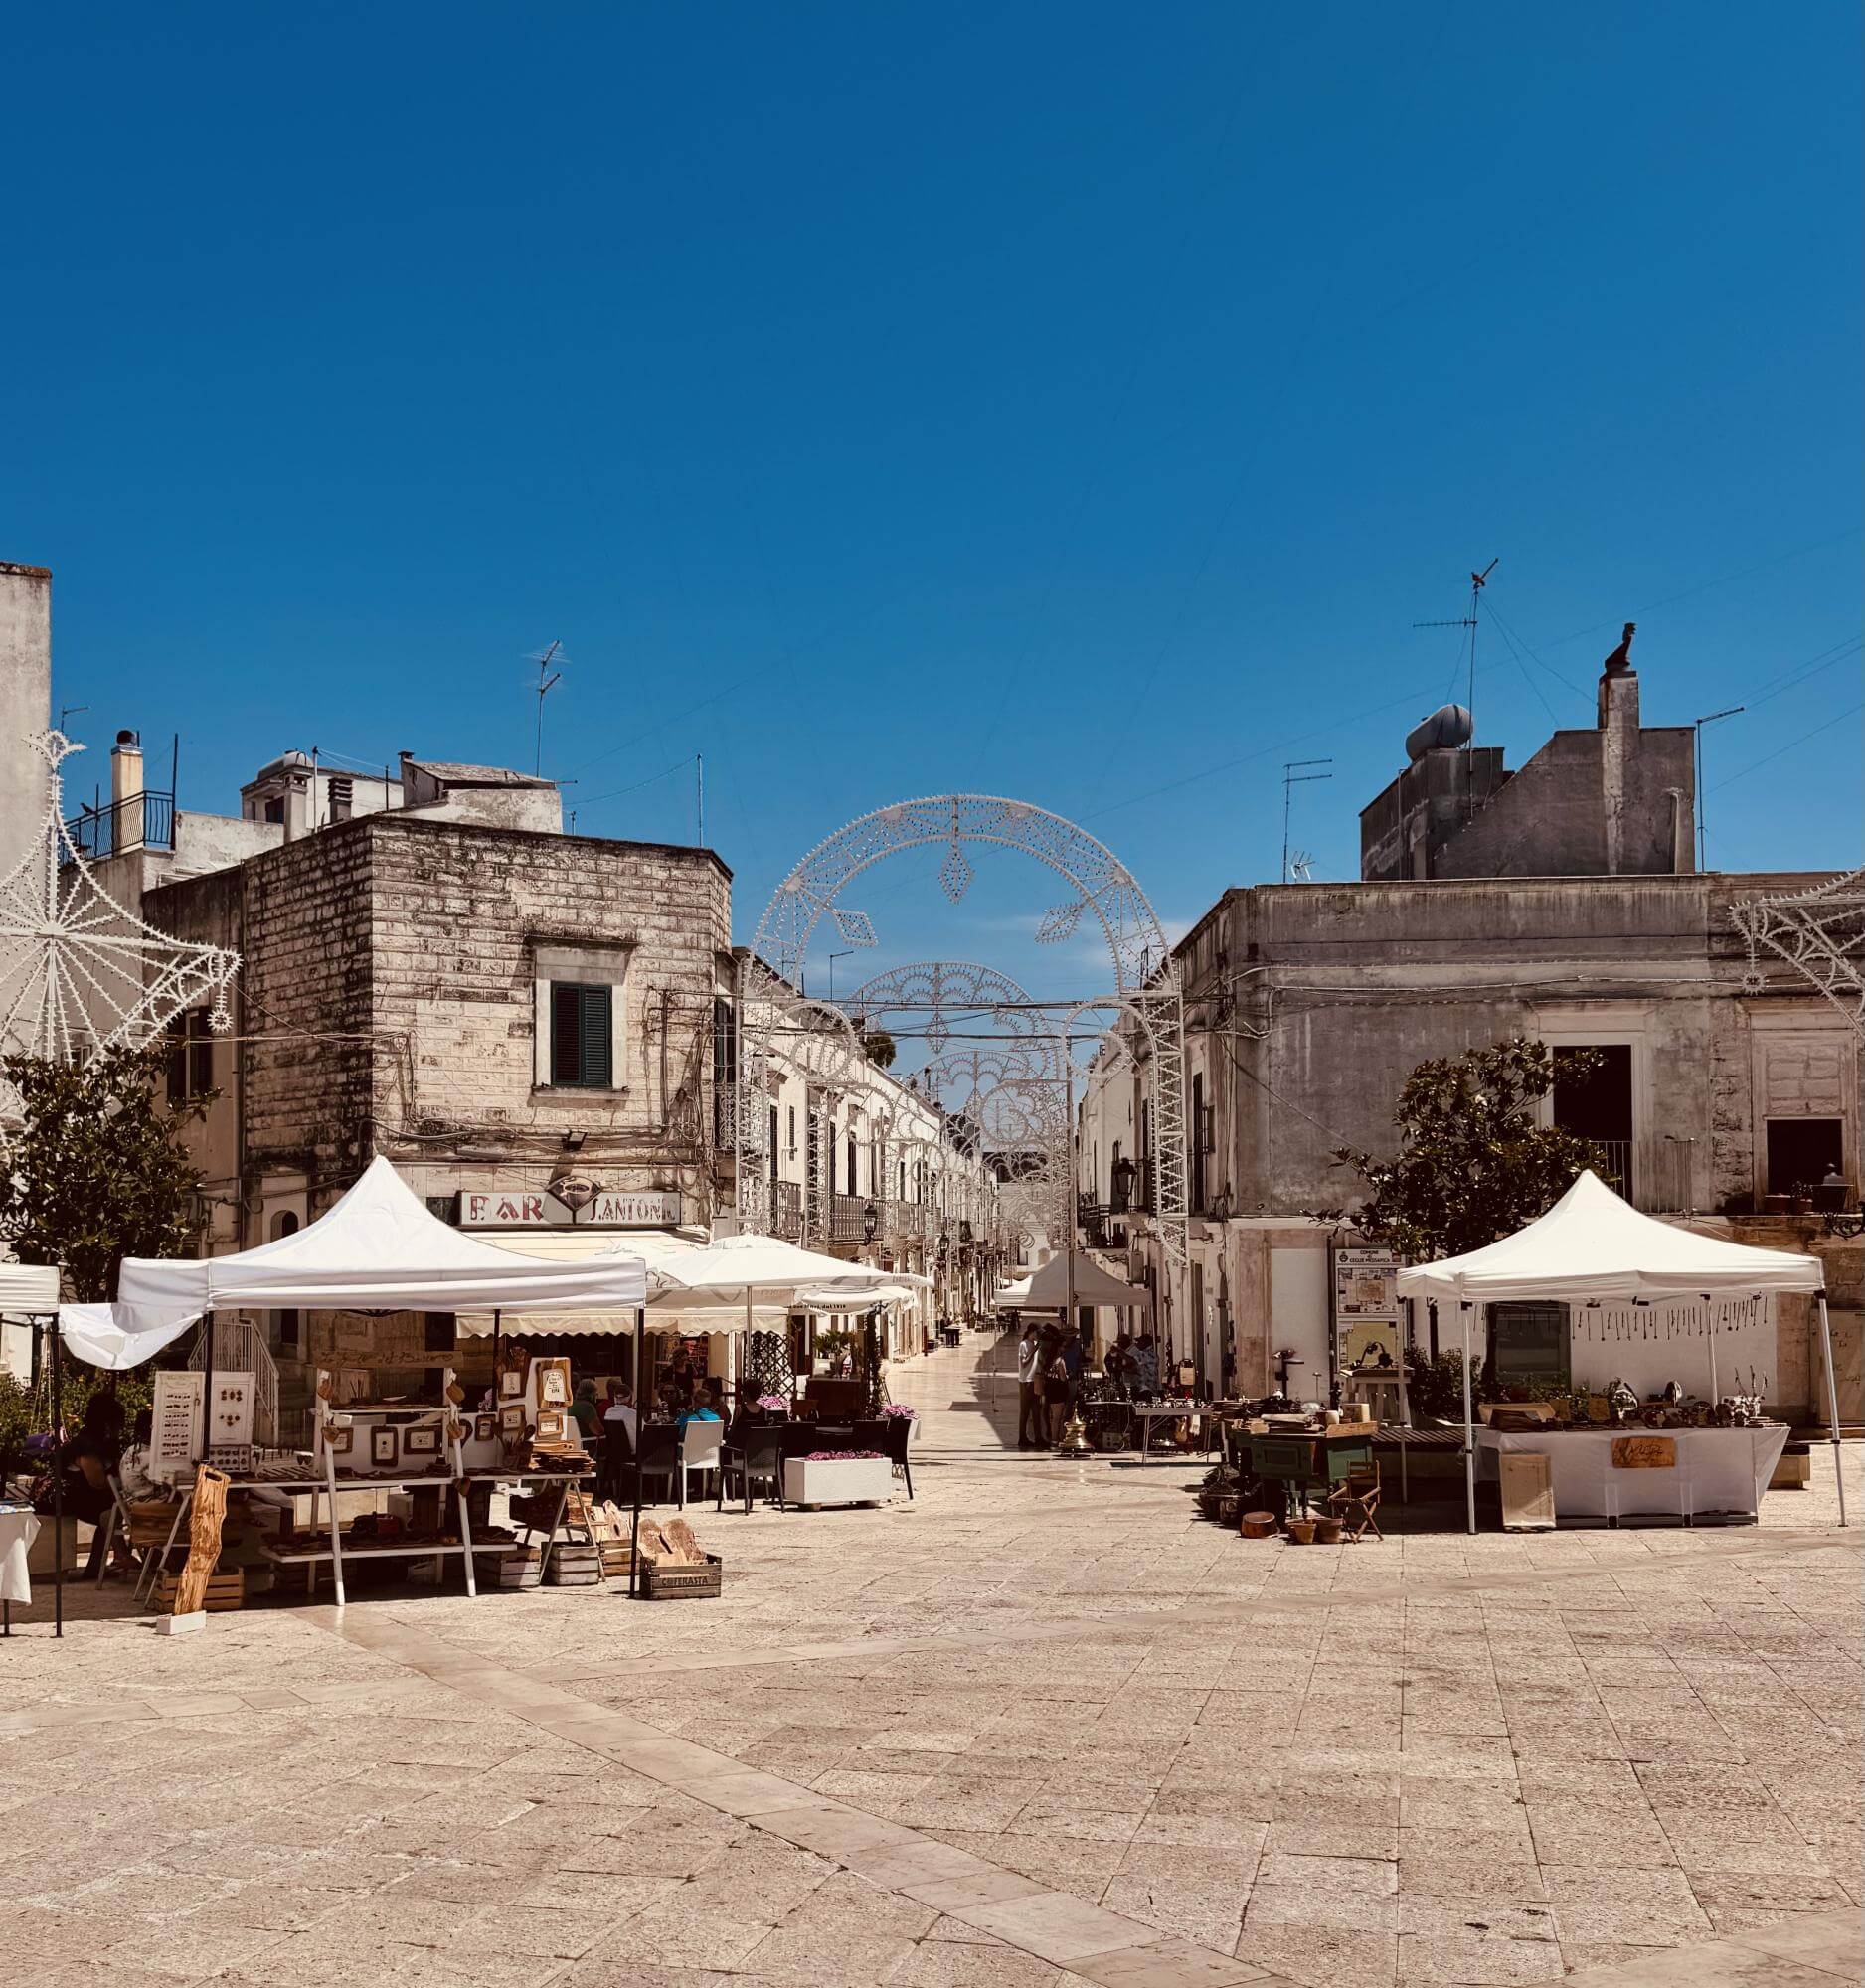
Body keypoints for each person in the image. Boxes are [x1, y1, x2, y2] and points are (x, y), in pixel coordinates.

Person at [1015, 1319, 1044, 1448]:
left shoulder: (1034, 1343)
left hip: (1034, 1381)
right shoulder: (1024, 1345)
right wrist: (1034, 1350)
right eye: (1037, 1333)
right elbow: (1024, 1363)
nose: (1038, 1336)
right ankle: (1022, 1438)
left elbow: (1037, 1362)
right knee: (1025, 1412)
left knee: (1036, 1411)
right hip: (1026, 1382)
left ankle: (1038, 1438)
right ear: (1032, 1332)